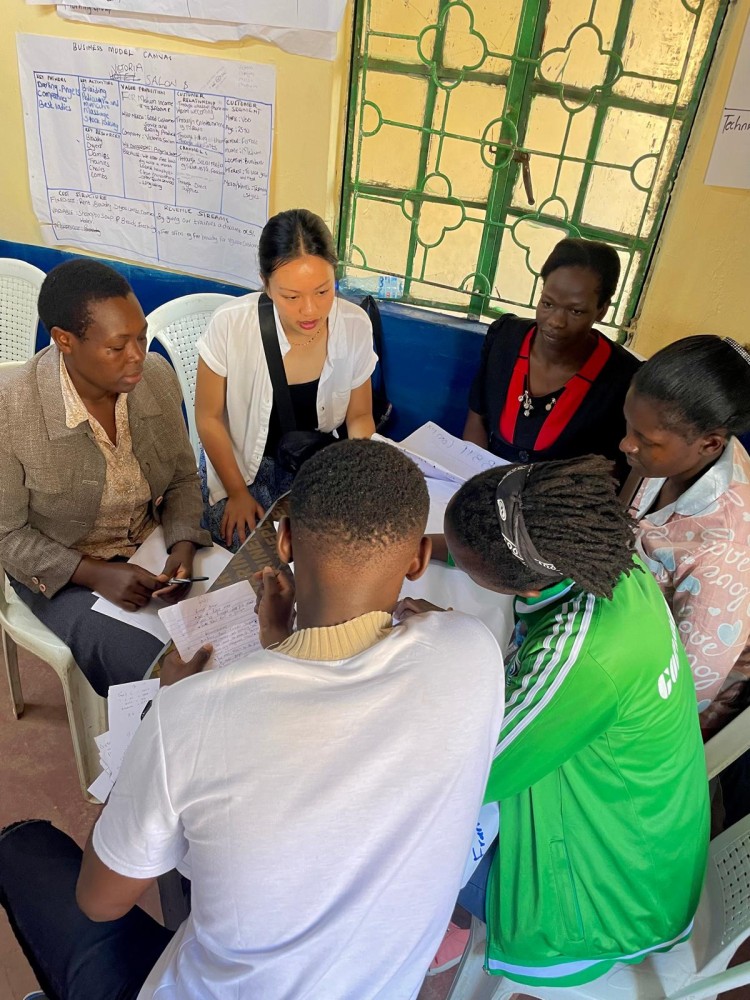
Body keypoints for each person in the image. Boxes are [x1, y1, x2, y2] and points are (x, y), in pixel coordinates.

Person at [0, 440, 506, 1000]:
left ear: (283, 542)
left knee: (22, 849)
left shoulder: (188, 719)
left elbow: (100, 901)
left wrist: (161, 713)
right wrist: (284, 642)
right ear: (416, 560)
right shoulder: (473, 651)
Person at [404, 455, 708, 989]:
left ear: (519, 586)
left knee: (398, 829)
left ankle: (427, 932)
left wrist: (441, 640)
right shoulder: (607, 559)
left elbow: (471, 772)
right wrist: (426, 551)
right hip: (647, 830)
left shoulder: (580, 655)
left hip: (611, 899)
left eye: (469, 564)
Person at [0, 259, 211, 697]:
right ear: (64, 341)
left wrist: (183, 546)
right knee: (156, 669)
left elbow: (182, 479)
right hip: (61, 569)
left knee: (242, 615)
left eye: (141, 336)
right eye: (118, 347)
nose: (138, 355)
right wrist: (93, 573)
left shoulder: (154, 376)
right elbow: (7, 536)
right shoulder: (12, 411)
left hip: (150, 546)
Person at [195, 208, 377, 550]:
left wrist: (357, 473)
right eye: (291, 297)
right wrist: (236, 493)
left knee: (343, 551)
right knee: (256, 556)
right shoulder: (230, 325)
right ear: (266, 284)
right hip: (240, 468)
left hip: (312, 465)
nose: (310, 310)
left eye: (323, 291)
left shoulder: (354, 325)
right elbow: (208, 417)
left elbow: (358, 415)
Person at [620, 334, 750, 739]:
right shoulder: (669, 457)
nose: (626, 443)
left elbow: (681, 693)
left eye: (645, 439)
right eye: (629, 426)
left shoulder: (722, 552)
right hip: (626, 622)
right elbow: (623, 525)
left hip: (663, 705)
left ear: (711, 443)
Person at [464, 237, 640, 483]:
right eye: (547, 304)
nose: (556, 321)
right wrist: (478, 484)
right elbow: (476, 419)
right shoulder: (505, 338)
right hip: (485, 482)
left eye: (575, 311)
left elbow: (613, 470)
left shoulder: (622, 379)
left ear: (602, 310)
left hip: (559, 504)